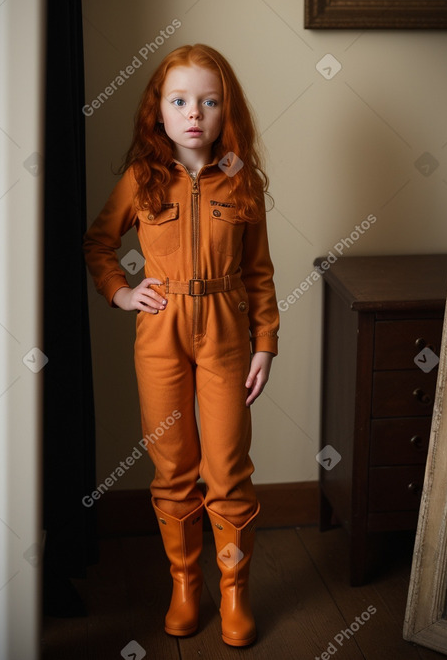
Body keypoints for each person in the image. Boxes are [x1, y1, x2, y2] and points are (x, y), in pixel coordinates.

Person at [82, 44, 279, 647]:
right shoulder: (142, 178)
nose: (194, 112)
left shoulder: (242, 180)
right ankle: (185, 586)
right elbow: (99, 245)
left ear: (226, 112)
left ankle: (234, 593)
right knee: (172, 467)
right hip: (161, 335)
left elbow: (261, 272)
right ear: (159, 113)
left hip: (226, 333)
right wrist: (121, 294)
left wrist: (265, 343)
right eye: (180, 101)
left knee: (228, 468)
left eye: (209, 101)